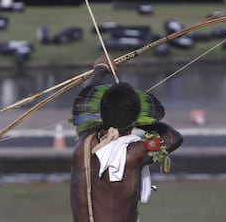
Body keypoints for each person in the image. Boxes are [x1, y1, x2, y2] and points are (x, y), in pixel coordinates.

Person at [70, 56, 183, 222]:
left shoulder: (85, 139)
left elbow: (89, 96)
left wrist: (100, 68)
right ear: (135, 119)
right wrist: (144, 123)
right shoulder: (132, 155)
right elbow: (173, 138)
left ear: (101, 113)